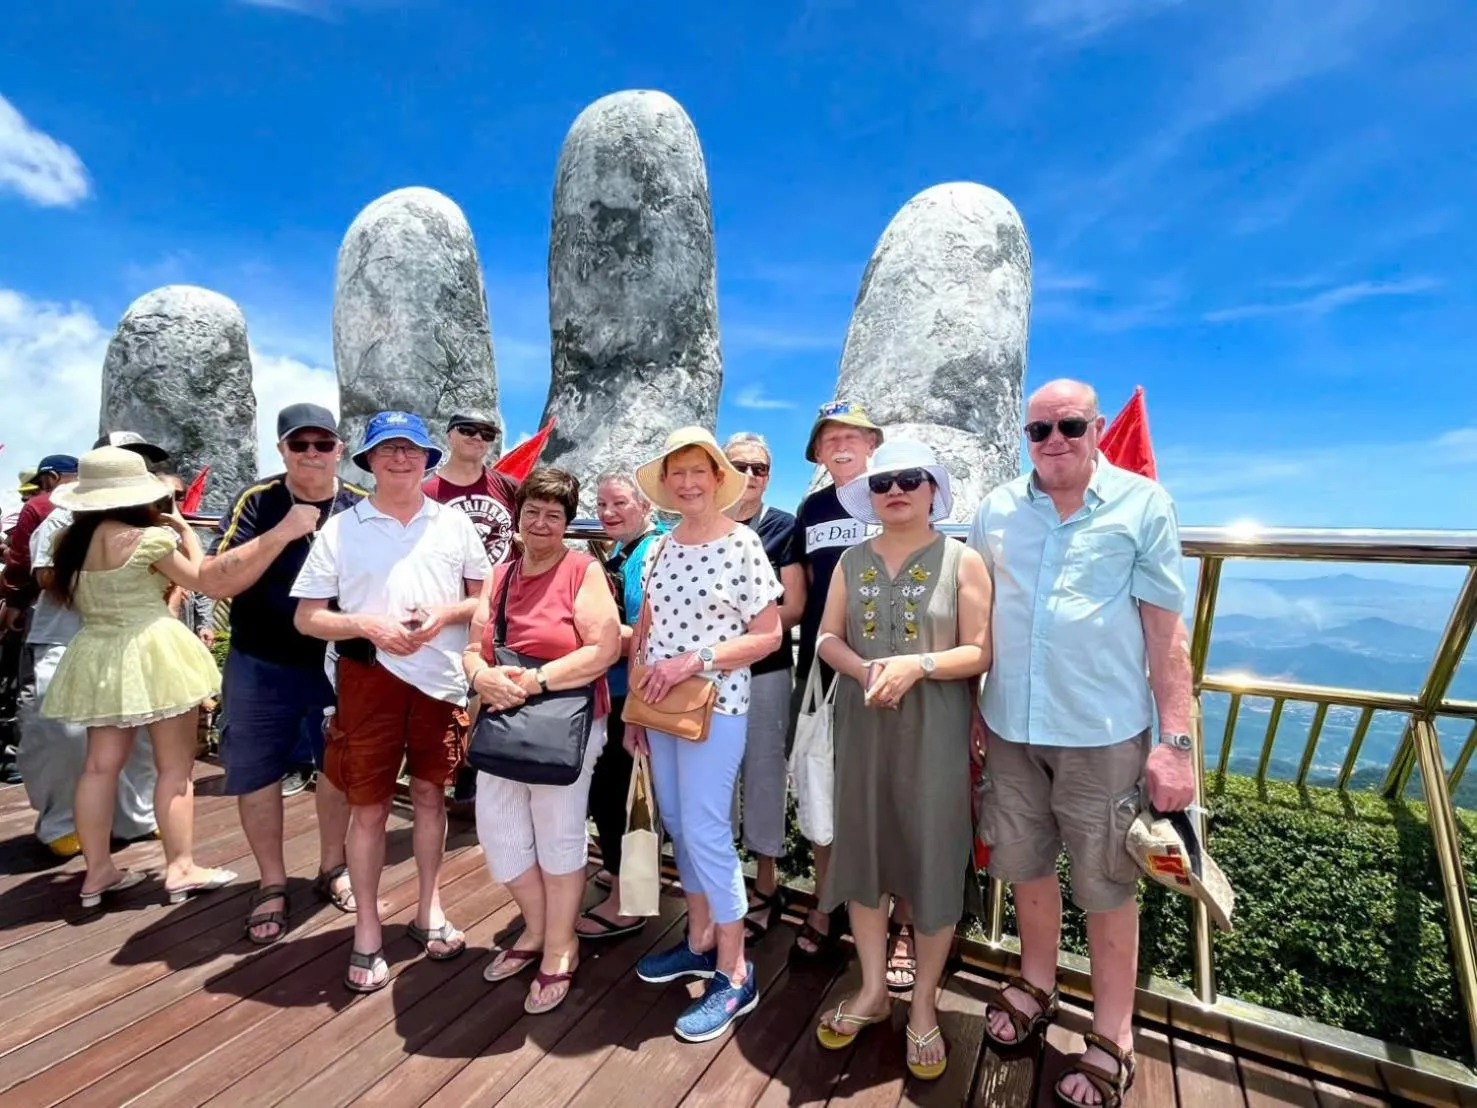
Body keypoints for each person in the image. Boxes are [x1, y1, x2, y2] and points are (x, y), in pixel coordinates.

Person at [969, 379, 1194, 1108]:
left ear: (1096, 427)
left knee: (1106, 884)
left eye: (1069, 425)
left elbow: (1165, 635)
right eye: (1039, 430)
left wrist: (1175, 743)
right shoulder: (997, 510)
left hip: (1100, 732)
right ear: (1023, 437)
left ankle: (1113, 1031)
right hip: (1008, 723)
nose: (1054, 441)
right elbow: (980, 618)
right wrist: (974, 709)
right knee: (1025, 866)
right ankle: (1036, 983)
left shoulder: (1141, 504)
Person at [811, 441, 992, 1082]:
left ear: (933, 490)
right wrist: (864, 669)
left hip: (935, 728)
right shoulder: (851, 561)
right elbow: (827, 636)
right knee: (865, 849)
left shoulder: (961, 561)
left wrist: (919, 665)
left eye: (911, 480)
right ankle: (870, 990)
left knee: (933, 856)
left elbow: (980, 651)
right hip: (862, 723)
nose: (896, 490)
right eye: (885, 481)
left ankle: (922, 1006)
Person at [291, 410, 490, 993]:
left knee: (430, 798)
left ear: (427, 458)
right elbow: (308, 618)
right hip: (368, 676)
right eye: (387, 450)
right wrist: (369, 626)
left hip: (440, 680)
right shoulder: (343, 527)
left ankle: (429, 907)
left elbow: (482, 601)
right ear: (369, 460)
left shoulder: (453, 525)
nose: (400, 459)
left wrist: (442, 616)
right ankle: (369, 929)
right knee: (370, 808)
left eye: (411, 450)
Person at [626, 427, 783, 1043]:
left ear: (719, 479)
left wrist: (696, 660)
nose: (688, 483)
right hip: (661, 709)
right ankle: (697, 939)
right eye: (678, 473)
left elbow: (767, 635)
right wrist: (636, 713)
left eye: (700, 471)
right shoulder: (661, 547)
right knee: (679, 821)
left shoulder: (742, 545)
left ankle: (735, 969)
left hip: (717, 706)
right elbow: (645, 633)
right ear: (667, 483)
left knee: (709, 828)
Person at [199, 403, 366, 945]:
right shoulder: (258, 501)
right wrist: (285, 531)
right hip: (260, 663)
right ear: (282, 451)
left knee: (337, 771)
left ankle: (332, 866)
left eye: (324, 444)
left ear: (340, 449)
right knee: (257, 773)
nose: (313, 454)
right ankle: (271, 882)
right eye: (301, 445)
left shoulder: (361, 508)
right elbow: (214, 582)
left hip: (337, 666)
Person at [40, 447, 236, 906]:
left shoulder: (67, 544)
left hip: (97, 650)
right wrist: (185, 530)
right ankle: (181, 867)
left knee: (98, 767)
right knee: (174, 769)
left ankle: (97, 874)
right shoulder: (148, 540)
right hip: (154, 649)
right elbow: (202, 580)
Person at [466, 467, 620, 1013]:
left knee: (557, 831)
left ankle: (560, 945)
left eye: (554, 515)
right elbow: (474, 646)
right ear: (519, 515)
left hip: (565, 719)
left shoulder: (583, 571)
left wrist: (536, 680)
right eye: (533, 511)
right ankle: (535, 929)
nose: (541, 522)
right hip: (507, 714)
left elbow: (603, 648)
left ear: (566, 522)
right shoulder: (500, 575)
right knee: (501, 833)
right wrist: (479, 677)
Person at [788, 401, 917, 983]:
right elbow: (808, 590)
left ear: (874, 445)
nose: (841, 446)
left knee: (898, 797)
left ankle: (905, 922)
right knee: (822, 786)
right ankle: (828, 899)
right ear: (817, 453)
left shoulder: (896, 493)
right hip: (827, 668)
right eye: (830, 439)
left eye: (854, 437)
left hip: (895, 668)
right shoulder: (811, 508)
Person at [19, 434, 172, 857]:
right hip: (63, 638)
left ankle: (135, 817)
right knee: (62, 734)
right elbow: (45, 576)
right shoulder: (60, 516)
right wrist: (100, 579)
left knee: (138, 731)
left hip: (129, 639)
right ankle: (60, 822)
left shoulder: (149, 522)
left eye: (145, 462)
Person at [722, 432, 804, 938]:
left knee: (765, 775)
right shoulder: (703, 525)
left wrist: (741, 636)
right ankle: (725, 879)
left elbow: (794, 605)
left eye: (759, 467)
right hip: (710, 675)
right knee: (716, 780)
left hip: (766, 671)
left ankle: (766, 884)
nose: (750, 475)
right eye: (739, 466)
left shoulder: (782, 528)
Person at [576, 470, 663, 939]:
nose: (608, 513)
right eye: (602, 504)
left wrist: (596, 639)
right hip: (616, 690)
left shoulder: (652, 553)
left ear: (646, 508)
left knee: (623, 795)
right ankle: (620, 873)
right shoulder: (624, 551)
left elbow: (651, 631)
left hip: (637, 693)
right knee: (612, 790)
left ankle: (630, 899)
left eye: (620, 504)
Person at [423, 411, 520, 811]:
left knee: (487, 690)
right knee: (446, 693)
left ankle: (474, 774)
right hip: (445, 606)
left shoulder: (509, 487)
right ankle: (438, 775)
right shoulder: (427, 488)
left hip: (498, 604)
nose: (477, 438)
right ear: (449, 435)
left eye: (487, 433)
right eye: (468, 430)